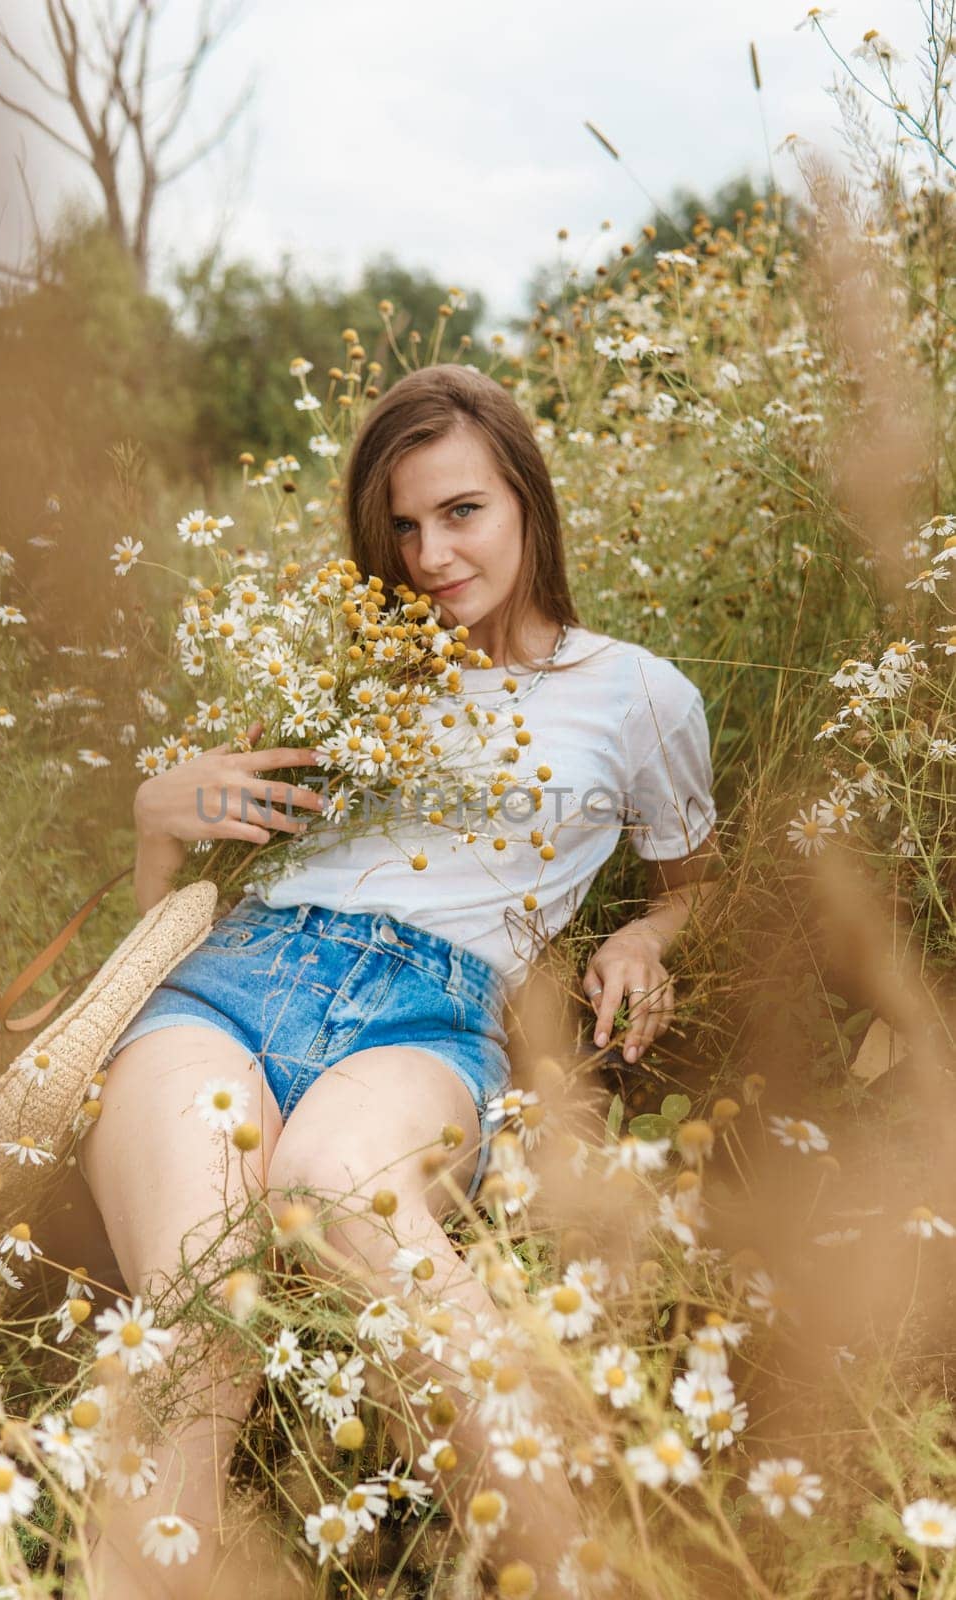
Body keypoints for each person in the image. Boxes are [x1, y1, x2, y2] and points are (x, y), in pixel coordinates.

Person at [75, 363, 721, 1598]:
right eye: (404, 526)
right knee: (198, 1299)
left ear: (527, 499)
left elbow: (688, 872)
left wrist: (647, 936)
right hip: (228, 983)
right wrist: (157, 822)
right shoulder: (354, 675)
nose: (430, 554)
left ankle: (575, 1568)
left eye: (461, 511)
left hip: (427, 1011)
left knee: (338, 1192)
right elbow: (166, 922)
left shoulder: (637, 693)